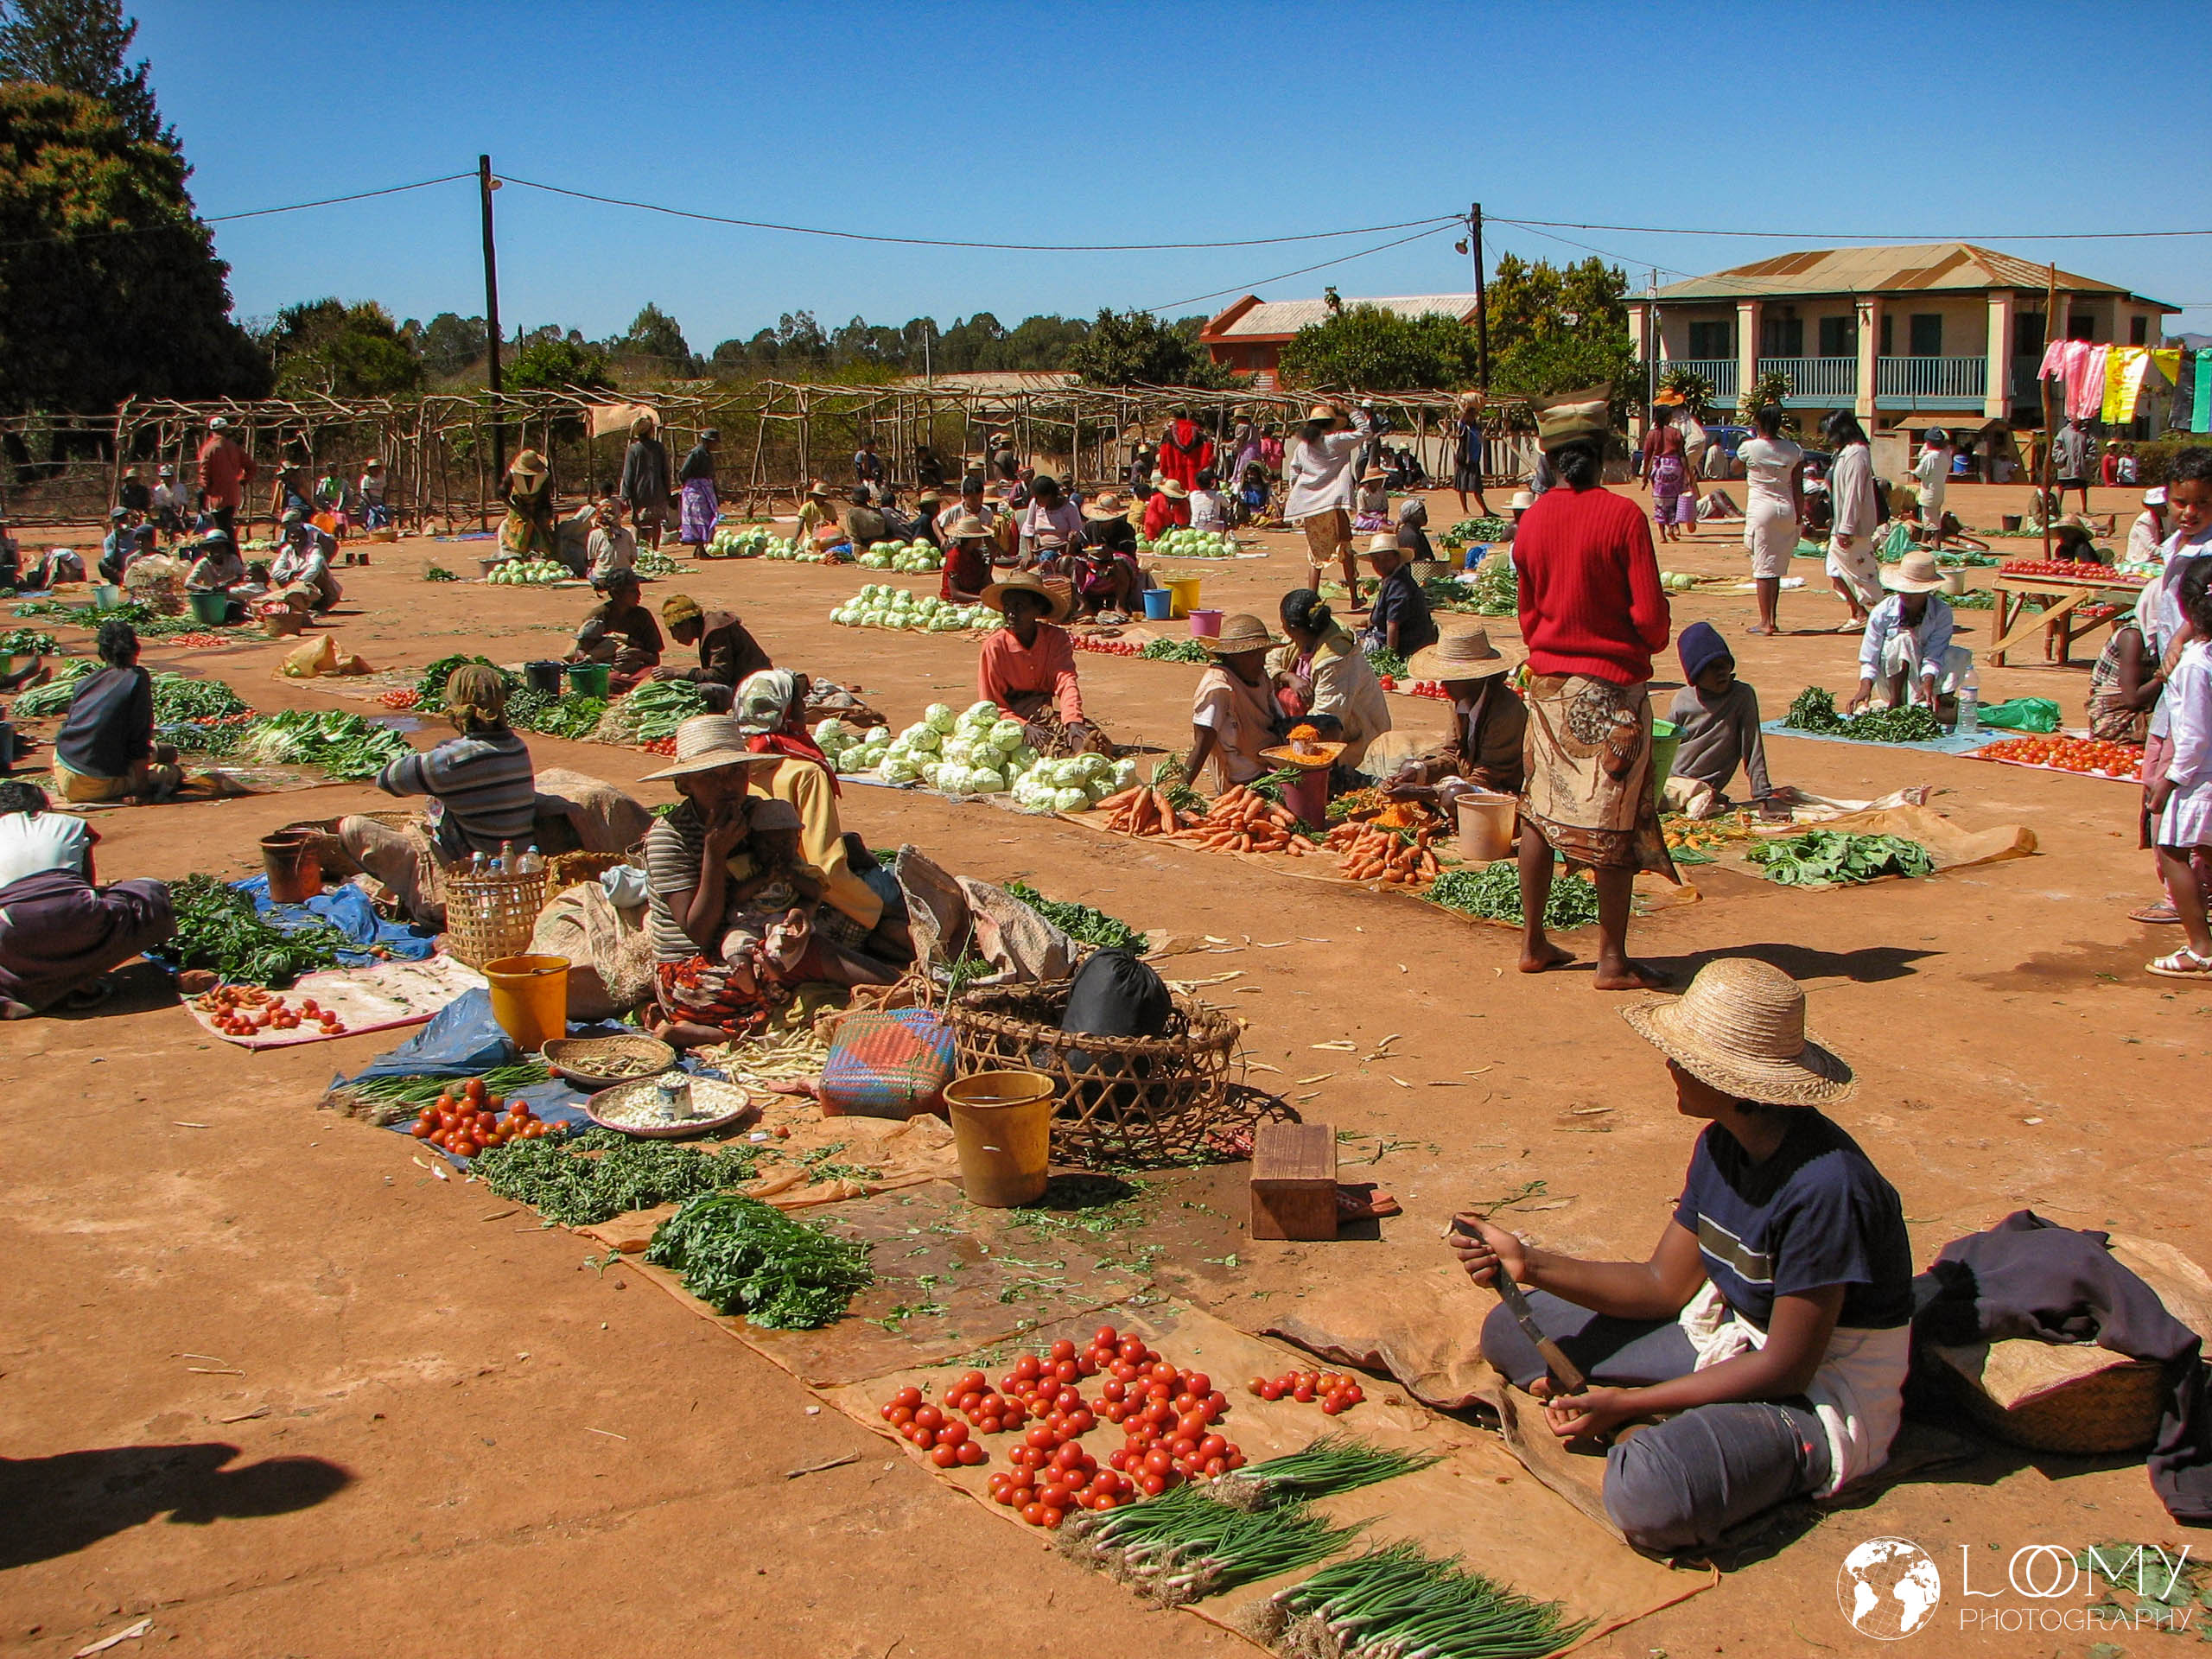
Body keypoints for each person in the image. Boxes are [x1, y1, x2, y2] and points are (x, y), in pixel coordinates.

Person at [1454, 958, 1908, 1554]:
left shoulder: (1827, 1189)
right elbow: (1663, 1286)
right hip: (1736, 1336)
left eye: (1684, 1057)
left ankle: (1671, 1433)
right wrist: (1529, 1264)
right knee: (1509, 1334)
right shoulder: (1724, 1142)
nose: (1668, 1064)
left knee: (1649, 1490)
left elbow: (1788, 1370)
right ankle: (1667, 1423)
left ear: (1732, 1082)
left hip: (1816, 1391)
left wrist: (1630, 1403)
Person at [1515, 385, 1675, 992]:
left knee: (1539, 811)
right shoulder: (1624, 518)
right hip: (1612, 690)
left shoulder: (1531, 524)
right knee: (1616, 818)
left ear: (1551, 457)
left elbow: (1529, 616)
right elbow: (1652, 621)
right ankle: (1611, 959)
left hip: (1549, 687)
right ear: (1603, 450)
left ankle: (1533, 942)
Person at [733, 671, 912, 972]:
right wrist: (876, 909)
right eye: (800, 706)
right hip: (803, 905)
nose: (805, 713)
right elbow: (826, 869)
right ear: (786, 713)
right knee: (892, 889)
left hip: (747, 907)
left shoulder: (733, 766)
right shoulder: (803, 773)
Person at [337, 665, 536, 927]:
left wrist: (442, 751)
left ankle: (428, 903)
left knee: (353, 828)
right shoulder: (516, 746)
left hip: (474, 877)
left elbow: (387, 780)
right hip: (512, 866)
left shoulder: (454, 759)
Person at [638, 717, 793, 1046]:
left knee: (810, 945)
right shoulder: (668, 837)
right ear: (685, 784)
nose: (727, 786)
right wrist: (714, 853)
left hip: (754, 934)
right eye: (710, 776)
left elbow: (787, 874)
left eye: (736, 772)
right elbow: (699, 931)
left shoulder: (756, 814)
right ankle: (707, 1032)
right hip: (692, 965)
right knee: (770, 982)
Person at [0, 779, 171, 1020]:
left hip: (9, 928)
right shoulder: (70, 824)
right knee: (151, 893)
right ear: (43, 808)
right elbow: (86, 887)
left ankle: (15, 992)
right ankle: (77, 980)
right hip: (75, 915)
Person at [2149, 573, 2212, 977]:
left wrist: (2168, 780)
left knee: (2173, 849)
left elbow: (2193, 736)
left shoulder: (2193, 665)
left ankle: (2201, 948)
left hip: (2201, 776)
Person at [1382, 626, 1525, 798]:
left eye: (1452, 678)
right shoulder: (1459, 703)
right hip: (1469, 777)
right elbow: (1452, 755)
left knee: (1453, 794)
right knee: (1410, 768)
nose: (1443, 684)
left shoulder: (1505, 711)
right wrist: (1418, 772)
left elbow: (1488, 775)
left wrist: (1429, 792)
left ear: (1474, 678)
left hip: (1502, 789)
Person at [52, 620, 182, 804]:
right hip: (90, 784)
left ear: (102, 654)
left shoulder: (86, 682)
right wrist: (143, 789)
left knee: (164, 751)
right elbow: (138, 740)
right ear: (136, 650)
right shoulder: (137, 678)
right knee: (170, 771)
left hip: (63, 764)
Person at [976, 570, 1104, 754]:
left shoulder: (1056, 639)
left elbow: (1066, 680)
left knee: (1085, 732)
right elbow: (991, 703)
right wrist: (1023, 725)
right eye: (1008, 607)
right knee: (1044, 742)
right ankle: (1071, 757)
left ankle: (1083, 751)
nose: (1011, 614)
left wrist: (1073, 720)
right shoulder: (995, 646)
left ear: (1037, 610)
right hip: (1009, 716)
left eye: (1020, 606)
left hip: (1043, 710)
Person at [1664, 622, 1779, 820]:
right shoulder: (1683, 700)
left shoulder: (1741, 697)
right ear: (1695, 676)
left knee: (1704, 806)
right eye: (1712, 668)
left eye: (1724, 666)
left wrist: (1763, 799)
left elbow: (1752, 748)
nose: (1721, 672)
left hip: (1708, 790)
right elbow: (1663, 748)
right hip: (1675, 784)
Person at [1271, 590, 1393, 772]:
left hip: (1357, 738)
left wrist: (1283, 735)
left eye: (1283, 624)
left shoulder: (1337, 658)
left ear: (1294, 627)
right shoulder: (1303, 633)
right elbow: (1270, 661)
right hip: (1314, 716)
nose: (1283, 629)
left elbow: (1326, 720)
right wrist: (1287, 676)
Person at [1849, 551, 1967, 715]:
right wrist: (1865, 687)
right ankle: (1895, 701)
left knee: (1959, 655)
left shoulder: (1941, 612)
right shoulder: (1882, 612)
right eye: (1903, 590)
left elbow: (1934, 655)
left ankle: (1934, 697)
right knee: (1903, 640)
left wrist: (1927, 683)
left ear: (1927, 591)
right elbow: (1870, 657)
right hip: (1890, 676)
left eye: (1914, 592)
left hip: (1923, 675)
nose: (1906, 595)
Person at [1284, 402, 1374, 602]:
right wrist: (1353, 412)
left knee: (1316, 555)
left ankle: (1311, 598)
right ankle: (1353, 597)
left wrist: (1297, 496)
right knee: (1346, 549)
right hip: (1333, 504)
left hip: (1310, 507)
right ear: (1331, 423)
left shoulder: (1303, 447)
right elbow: (1365, 431)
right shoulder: (1336, 441)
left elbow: (1294, 472)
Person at [1185, 613, 1284, 792]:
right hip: (1239, 784)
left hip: (1270, 770)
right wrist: (1179, 790)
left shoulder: (1262, 679)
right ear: (1235, 656)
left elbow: (1279, 722)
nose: (1263, 662)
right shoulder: (1218, 687)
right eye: (1256, 655)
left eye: (1264, 654)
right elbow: (1202, 744)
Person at [1738, 406, 1805, 636]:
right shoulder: (1794, 450)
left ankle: (1766, 621)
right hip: (1787, 508)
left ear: (1757, 422)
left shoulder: (1750, 448)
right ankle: (1772, 617)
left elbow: (1735, 466)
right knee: (1775, 568)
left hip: (1761, 509)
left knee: (1762, 568)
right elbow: (1798, 485)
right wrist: (1800, 516)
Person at [653, 594, 770, 712]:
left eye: (674, 631)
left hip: (752, 688)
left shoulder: (715, 632)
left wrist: (678, 673)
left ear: (686, 625)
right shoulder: (707, 627)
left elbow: (719, 676)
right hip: (742, 682)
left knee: (700, 692)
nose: (674, 637)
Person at [1822, 413, 1882, 628]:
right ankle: (1859, 611)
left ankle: (1879, 616)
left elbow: (1853, 493)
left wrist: (1846, 528)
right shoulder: (1843, 453)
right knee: (1835, 570)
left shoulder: (1857, 453)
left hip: (1853, 527)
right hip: (1840, 525)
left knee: (1863, 574)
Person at [569, 571, 664, 691]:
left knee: (654, 675)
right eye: (633, 591)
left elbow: (655, 659)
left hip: (637, 669)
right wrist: (593, 661)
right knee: (609, 681)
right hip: (606, 670)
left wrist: (638, 654)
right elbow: (580, 650)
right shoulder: (598, 616)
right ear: (617, 593)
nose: (639, 594)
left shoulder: (643, 616)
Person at [1359, 533, 1437, 660]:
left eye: (1386, 558)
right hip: (1388, 635)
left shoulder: (1399, 586)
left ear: (1397, 559)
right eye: (1376, 559)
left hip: (1407, 645)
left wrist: (1389, 658)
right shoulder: (1392, 578)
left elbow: (1392, 626)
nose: (1381, 564)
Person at [2088, 613, 2160, 744]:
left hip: (2143, 704)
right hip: (2115, 714)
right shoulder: (2132, 636)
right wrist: (2164, 676)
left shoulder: (2163, 634)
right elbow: (2132, 699)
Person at [1071, 493, 1143, 618]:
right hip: (1093, 567)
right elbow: (1076, 551)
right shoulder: (1089, 528)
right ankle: (1084, 604)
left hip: (1117, 569)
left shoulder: (1125, 529)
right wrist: (1071, 542)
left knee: (1120, 561)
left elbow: (1129, 554)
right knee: (1068, 562)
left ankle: (1120, 604)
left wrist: (1110, 553)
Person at [194, 416, 254, 545]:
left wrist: (206, 491)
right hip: (233, 494)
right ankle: (232, 556)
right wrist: (243, 480)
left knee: (222, 529)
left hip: (217, 496)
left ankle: (231, 557)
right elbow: (251, 466)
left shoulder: (209, 449)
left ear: (211, 430)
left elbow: (204, 472)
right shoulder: (234, 447)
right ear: (226, 429)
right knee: (226, 526)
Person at [270, 511, 341, 613]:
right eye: (294, 538)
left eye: (300, 537)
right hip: (297, 582)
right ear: (288, 539)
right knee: (282, 575)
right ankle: (299, 602)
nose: (297, 540)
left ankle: (320, 604)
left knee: (319, 571)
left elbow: (315, 567)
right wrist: (292, 574)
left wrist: (300, 581)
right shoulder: (287, 550)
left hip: (318, 586)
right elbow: (275, 572)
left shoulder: (314, 547)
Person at [620, 416, 671, 548]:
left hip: (639, 493)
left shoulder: (633, 449)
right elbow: (666, 471)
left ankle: (637, 549)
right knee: (656, 522)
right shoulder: (658, 447)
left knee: (637, 522)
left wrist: (626, 495)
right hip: (658, 491)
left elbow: (628, 474)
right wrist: (667, 491)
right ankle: (655, 549)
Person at [499, 449, 558, 562]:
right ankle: (517, 556)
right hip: (518, 507)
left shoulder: (544, 475)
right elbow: (503, 495)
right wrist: (519, 511)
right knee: (520, 532)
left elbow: (545, 498)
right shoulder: (513, 475)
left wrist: (545, 515)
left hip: (537, 506)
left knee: (542, 532)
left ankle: (546, 553)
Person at [1643, 418, 1691, 546]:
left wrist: (1644, 475)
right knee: (1674, 500)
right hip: (1675, 466)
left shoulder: (1652, 434)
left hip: (1659, 467)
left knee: (1659, 501)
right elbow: (1682, 454)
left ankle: (1662, 535)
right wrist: (1687, 473)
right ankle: (1671, 528)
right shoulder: (1675, 432)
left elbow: (1647, 454)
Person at [1019, 474, 1083, 569]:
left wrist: (1068, 541)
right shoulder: (1034, 504)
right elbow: (1029, 529)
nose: (1036, 501)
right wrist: (1030, 555)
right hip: (1040, 551)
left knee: (1048, 557)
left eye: (1039, 497)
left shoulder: (1070, 507)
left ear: (1049, 495)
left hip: (1064, 552)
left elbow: (1076, 535)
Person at [677, 428, 720, 556]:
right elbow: (684, 472)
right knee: (699, 518)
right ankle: (700, 549)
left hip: (704, 488)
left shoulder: (706, 453)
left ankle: (699, 549)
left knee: (706, 517)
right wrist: (690, 485)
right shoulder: (696, 453)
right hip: (695, 491)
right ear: (706, 441)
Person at [938, 512, 995, 605]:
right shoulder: (954, 557)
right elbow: (955, 593)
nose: (982, 540)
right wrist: (981, 598)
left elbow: (985, 580)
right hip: (956, 601)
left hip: (973, 595)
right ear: (972, 539)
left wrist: (992, 560)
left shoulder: (976, 554)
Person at [1912, 429, 1955, 551]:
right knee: (1931, 517)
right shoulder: (1945, 455)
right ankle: (1923, 541)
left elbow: (1919, 473)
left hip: (1928, 492)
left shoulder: (1929, 457)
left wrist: (1924, 453)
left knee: (1931, 521)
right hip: (1939, 492)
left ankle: (1936, 545)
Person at [1452, 394, 1493, 517]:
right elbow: (1462, 416)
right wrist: (1459, 403)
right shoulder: (1463, 427)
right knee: (1462, 487)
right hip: (1464, 461)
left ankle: (1485, 510)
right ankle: (1465, 510)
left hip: (1474, 461)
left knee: (1477, 488)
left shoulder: (1475, 428)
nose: (1473, 417)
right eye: (1471, 415)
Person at [1157, 407, 1213, 490]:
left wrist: (1164, 470)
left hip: (1174, 475)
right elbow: (1207, 457)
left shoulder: (1169, 435)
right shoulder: (1200, 434)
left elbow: (1164, 456)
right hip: (1194, 477)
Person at [584, 499, 636, 586]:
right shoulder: (626, 534)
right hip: (625, 576)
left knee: (590, 572)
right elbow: (633, 559)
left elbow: (591, 559)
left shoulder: (594, 534)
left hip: (603, 577)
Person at [2051, 416, 2096, 514]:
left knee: (2083, 487)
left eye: (2078, 419)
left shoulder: (2086, 434)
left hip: (2081, 466)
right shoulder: (2063, 432)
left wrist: (2087, 458)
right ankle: (2058, 509)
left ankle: (2084, 509)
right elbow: (2056, 447)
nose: (2076, 421)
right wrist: (2063, 457)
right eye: (2074, 419)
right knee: (2061, 487)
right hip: (2066, 466)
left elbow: (2093, 447)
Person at [2128, 487, 2169, 567]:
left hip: (2159, 557)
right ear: (2154, 508)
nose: (2167, 508)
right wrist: (2171, 551)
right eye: (2163, 506)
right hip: (2142, 561)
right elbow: (2151, 549)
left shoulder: (2168, 518)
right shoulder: (2144, 521)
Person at [1141, 478, 1190, 542]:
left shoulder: (1183, 502)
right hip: (1158, 534)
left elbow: (1183, 523)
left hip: (1177, 534)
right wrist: (1151, 538)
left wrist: (1177, 507)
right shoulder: (1157, 499)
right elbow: (1151, 522)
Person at [150, 464, 187, 543]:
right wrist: (171, 510)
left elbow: (184, 503)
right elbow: (159, 504)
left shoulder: (181, 487)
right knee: (167, 517)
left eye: (169, 477)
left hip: (179, 511)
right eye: (165, 477)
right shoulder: (158, 490)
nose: (168, 479)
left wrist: (180, 514)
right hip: (166, 512)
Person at [95, 511, 135, 584]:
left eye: (125, 518)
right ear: (114, 522)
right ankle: (119, 580)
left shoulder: (136, 535)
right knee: (102, 564)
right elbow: (110, 559)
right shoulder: (110, 540)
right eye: (121, 519)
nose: (124, 521)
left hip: (137, 567)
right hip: (121, 571)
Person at [1351, 466, 1391, 533]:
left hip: (1379, 516)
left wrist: (1385, 515)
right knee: (1377, 524)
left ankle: (1389, 527)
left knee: (1383, 523)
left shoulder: (1382, 491)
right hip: (1366, 517)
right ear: (1371, 481)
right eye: (1379, 480)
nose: (1381, 482)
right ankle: (1390, 528)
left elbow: (1385, 507)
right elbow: (1361, 512)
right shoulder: (1362, 492)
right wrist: (1374, 517)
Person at [1188, 469, 1230, 534]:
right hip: (1214, 528)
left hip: (1196, 527)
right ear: (1211, 483)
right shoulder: (1217, 494)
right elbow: (1227, 504)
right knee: (1223, 510)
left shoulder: (1192, 495)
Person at [1395, 498, 1434, 564]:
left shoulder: (1415, 532)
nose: (1426, 516)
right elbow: (1417, 563)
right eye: (1422, 513)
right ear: (1412, 516)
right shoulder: (1411, 536)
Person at [358, 457, 391, 531]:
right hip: (367, 502)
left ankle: (385, 528)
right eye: (374, 468)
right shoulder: (366, 479)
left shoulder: (382, 478)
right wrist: (371, 504)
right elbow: (366, 492)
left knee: (386, 511)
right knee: (373, 514)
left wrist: (384, 501)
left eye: (378, 468)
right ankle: (372, 529)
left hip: (379, 501)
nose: (376, 470)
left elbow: (385, 490)